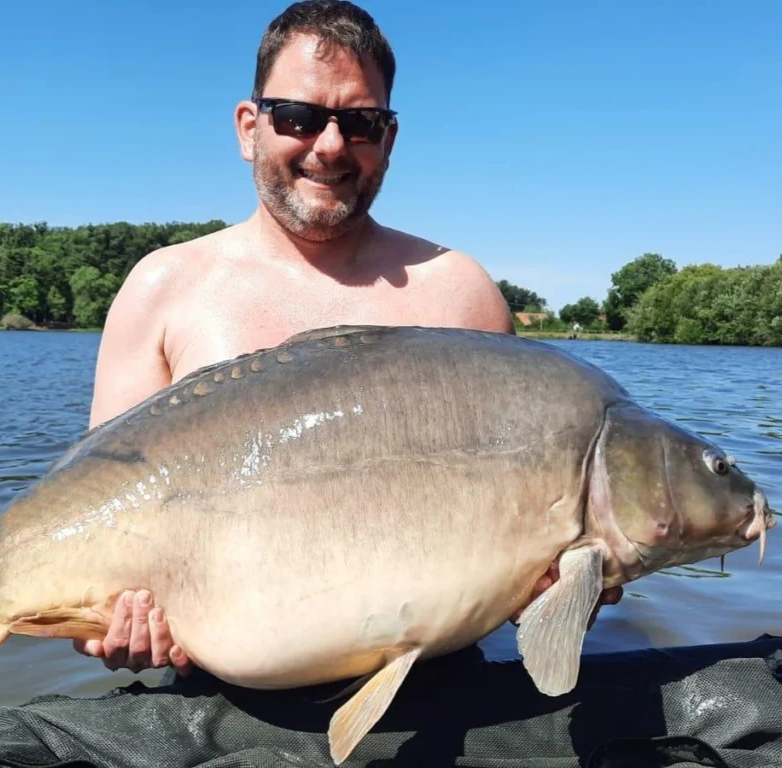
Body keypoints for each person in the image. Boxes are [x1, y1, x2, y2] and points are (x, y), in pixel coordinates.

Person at [75, 0, 622, 677]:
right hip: (213, 697)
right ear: (250, 128)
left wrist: (559, 588)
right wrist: (105, 623)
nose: (330, 145)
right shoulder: (162, 287)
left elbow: (525, 578)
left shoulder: (461, 292)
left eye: (360, 123)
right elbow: (94, 518)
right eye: (298, 117)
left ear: (388, 139)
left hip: (437, 695)